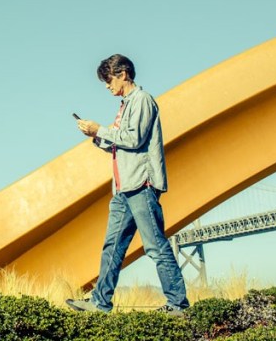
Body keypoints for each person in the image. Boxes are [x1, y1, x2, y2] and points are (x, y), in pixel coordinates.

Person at [65, 54, 189, 316]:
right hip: (123, 189)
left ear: (123, 74)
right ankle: (100, 303)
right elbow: (119, 143)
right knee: (113, 246)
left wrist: (100, 129)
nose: (107, 86)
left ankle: (178, 304)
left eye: (108, 80)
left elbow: (133, 139)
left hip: (141, 186)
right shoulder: (125, 105)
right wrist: (95, 136)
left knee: (155, 245)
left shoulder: (142, 100)